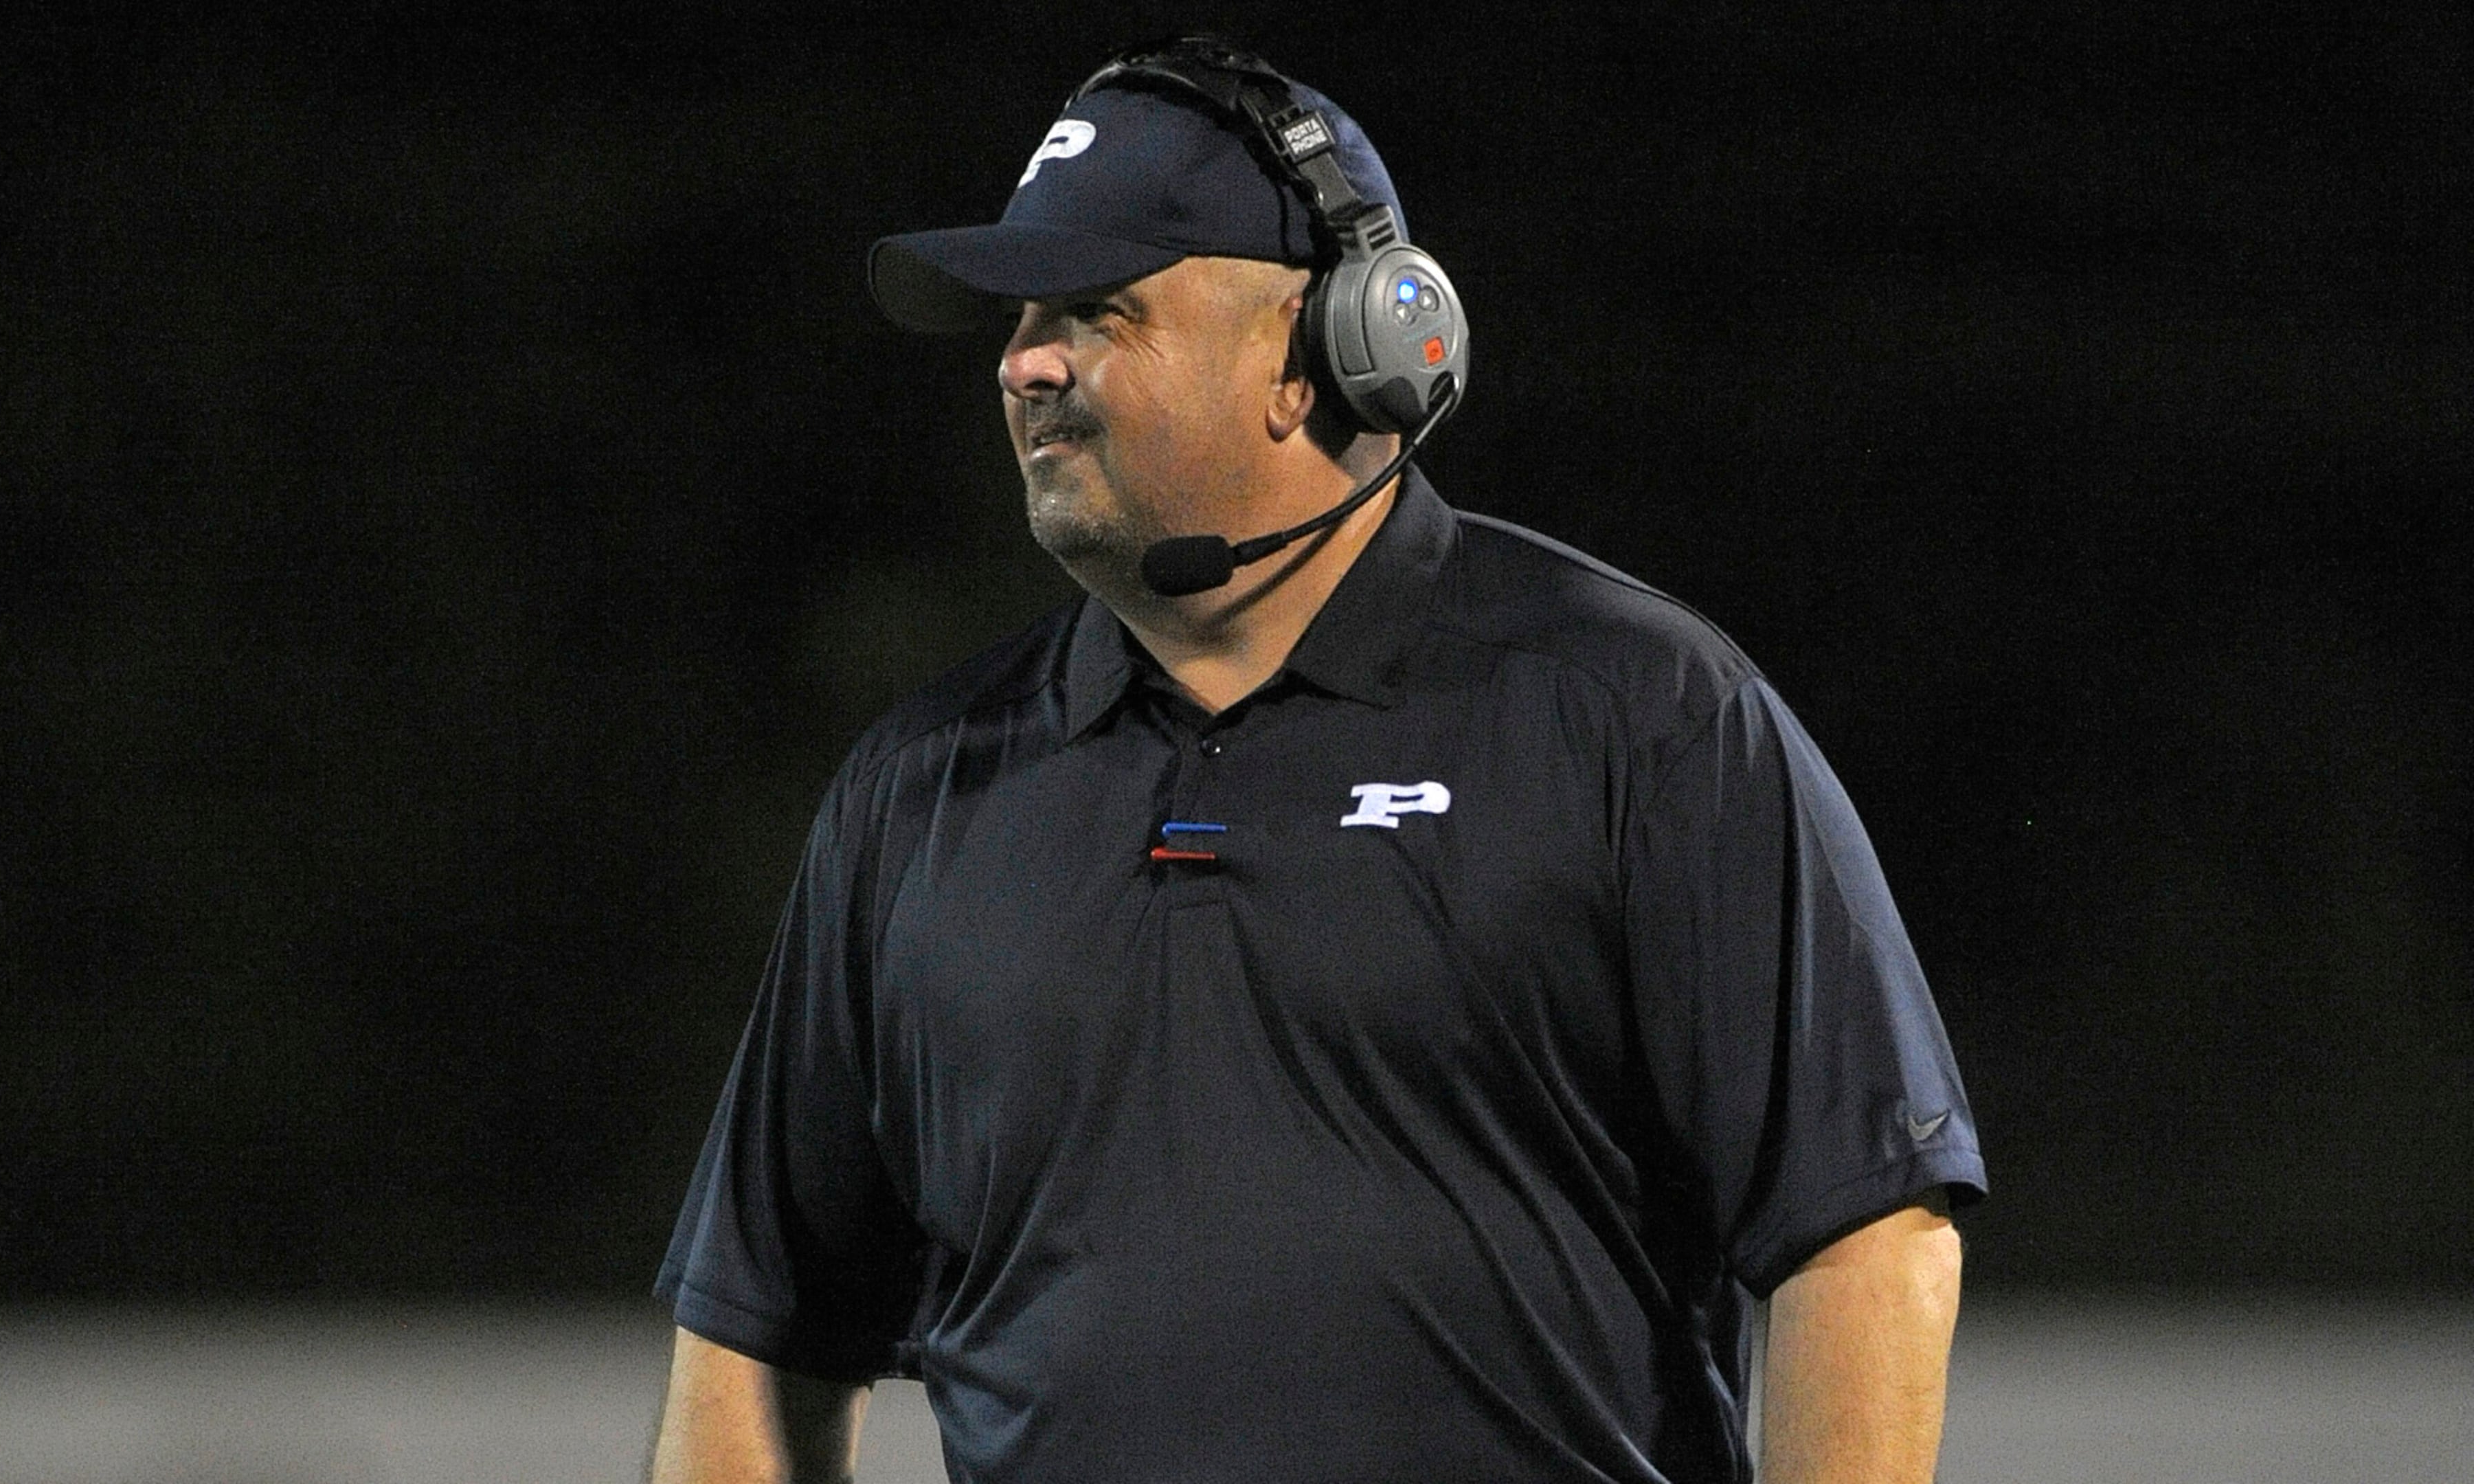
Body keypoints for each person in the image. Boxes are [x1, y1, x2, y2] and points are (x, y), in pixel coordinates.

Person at [650, 37, 1984, 1484]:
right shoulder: (919, 793)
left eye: (1098, 309)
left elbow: (1863, 1234)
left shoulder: (1635, 714)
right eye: (1024, 314)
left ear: (1327, 355)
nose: (1025, 360)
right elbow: (757, 1336)